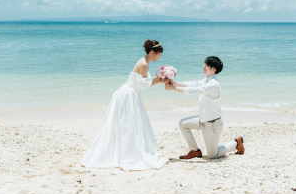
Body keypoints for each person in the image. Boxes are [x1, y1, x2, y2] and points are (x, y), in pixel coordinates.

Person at [81, 40, 170, 170]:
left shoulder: (143, 61)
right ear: (152, 53)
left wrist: (162, 79)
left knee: (126, 124)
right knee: (128, 124)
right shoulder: (144, 64)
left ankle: (123, 149)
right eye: (159, 54)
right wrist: (161, 81)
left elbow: (143, 83)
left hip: (129, 93)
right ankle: (127, 153)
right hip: (129, 95)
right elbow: (145, 85)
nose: (160, 57)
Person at [166, 56, 245, 160]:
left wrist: (173, 88)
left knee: (213, 155)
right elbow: (192, 84)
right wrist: (174, 83)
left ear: (213, 69)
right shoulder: (206, 80)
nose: (203, 66)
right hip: (203, 119)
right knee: (183, 124)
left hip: (212, 124)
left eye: (206, 65)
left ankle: (236, 143)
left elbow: (194, 90)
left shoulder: (213, 85)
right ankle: (194, 151)